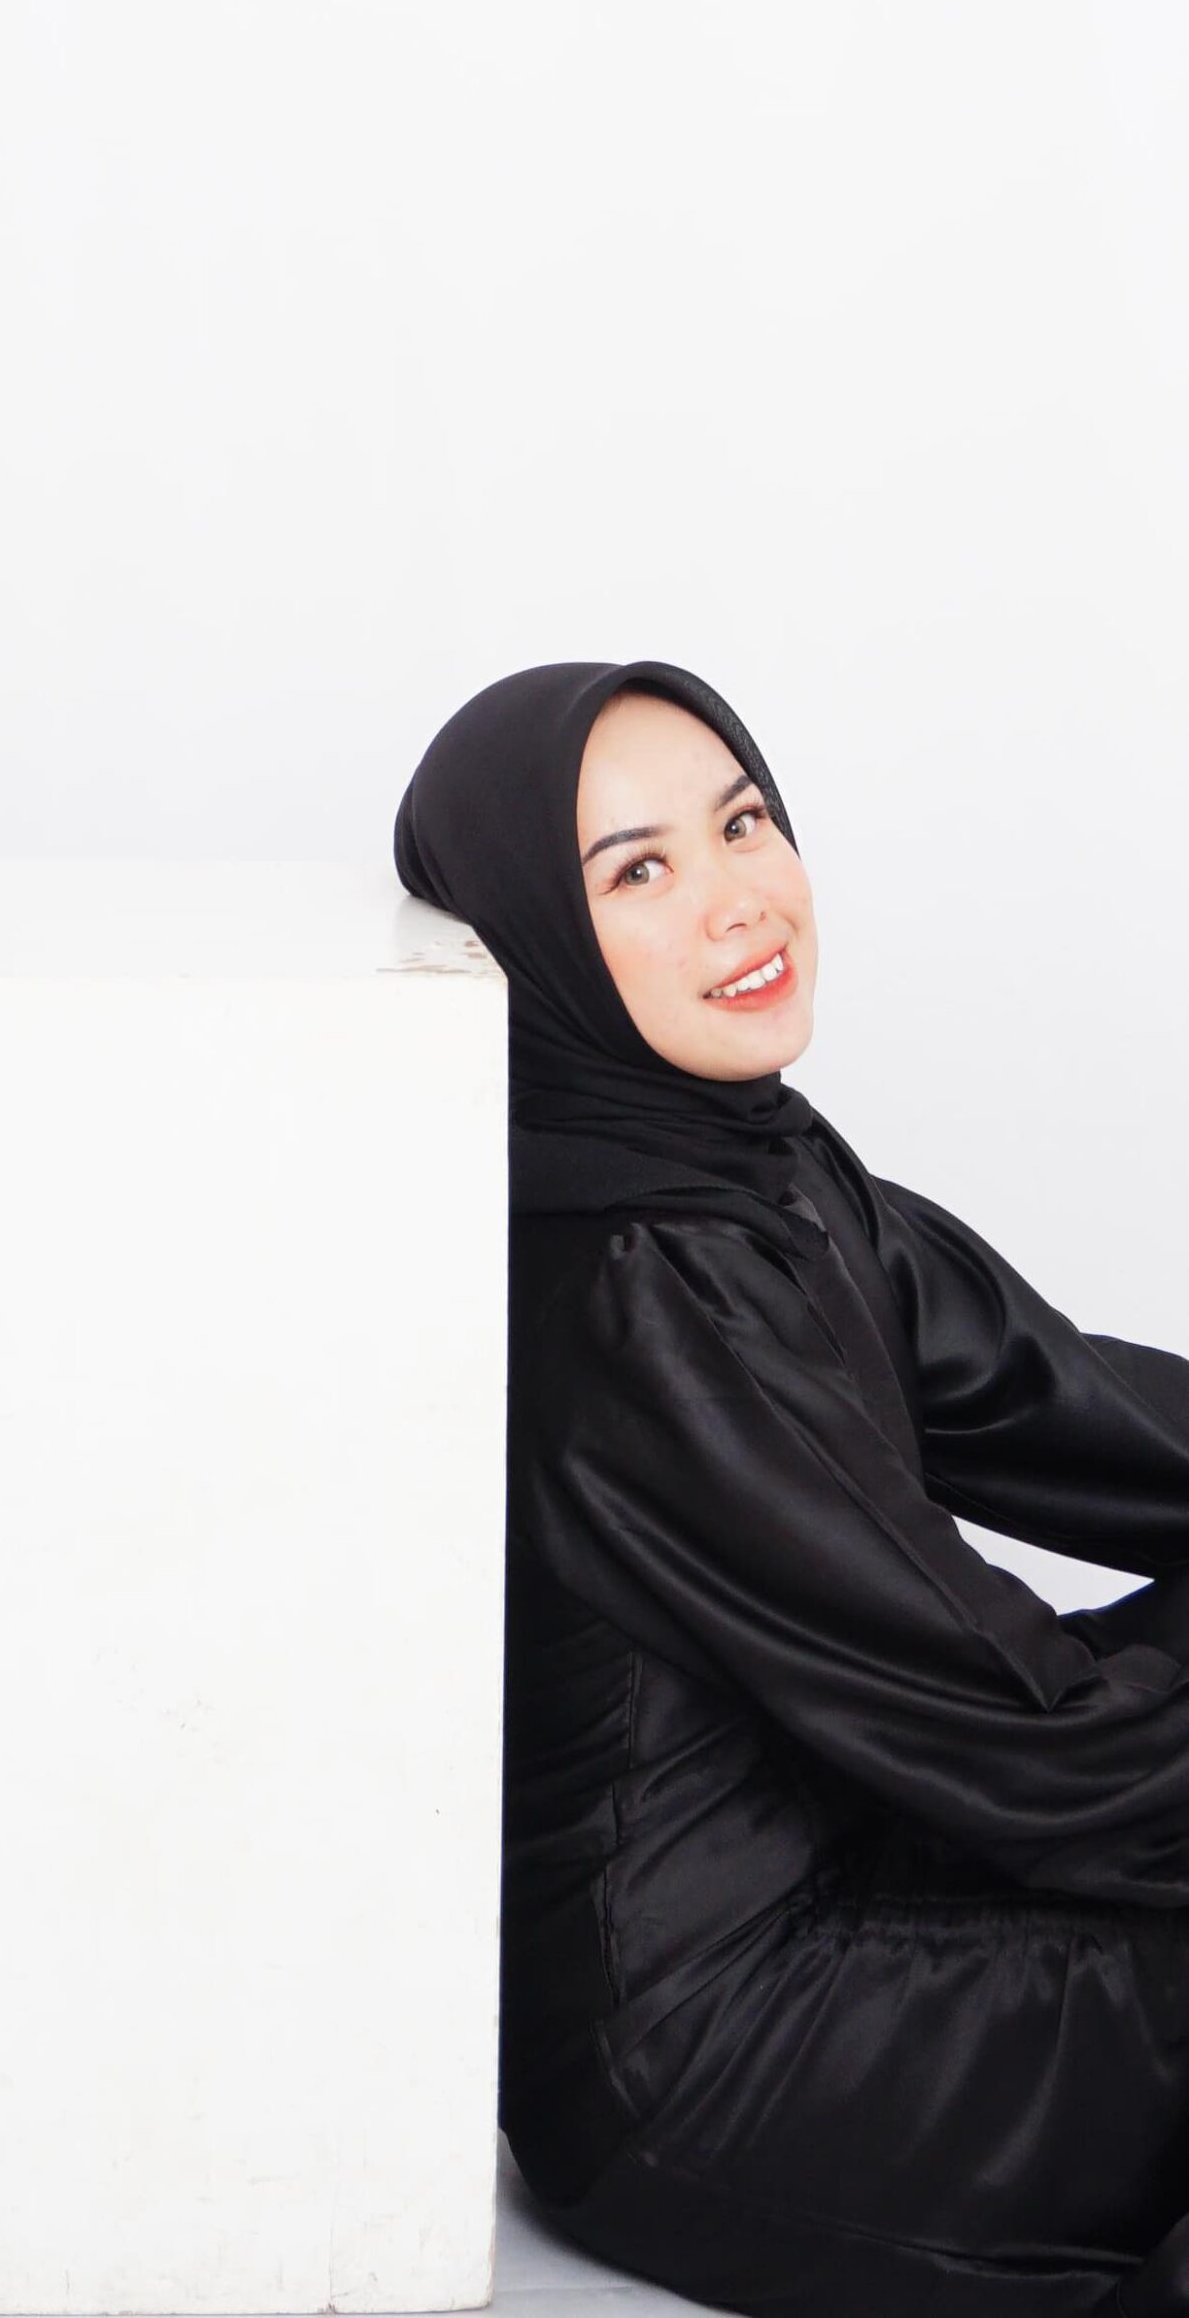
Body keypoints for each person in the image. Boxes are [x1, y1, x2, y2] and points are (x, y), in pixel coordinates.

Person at [392, 655, 1189, 2318]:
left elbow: (1074, 1404)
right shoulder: (637, 1287)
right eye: (638, 871)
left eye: (743, 821)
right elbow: (1023, 1735)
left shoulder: (756, 1162)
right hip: (719, 2043)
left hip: (874, 1872)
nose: (737, 897)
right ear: (537, 942)